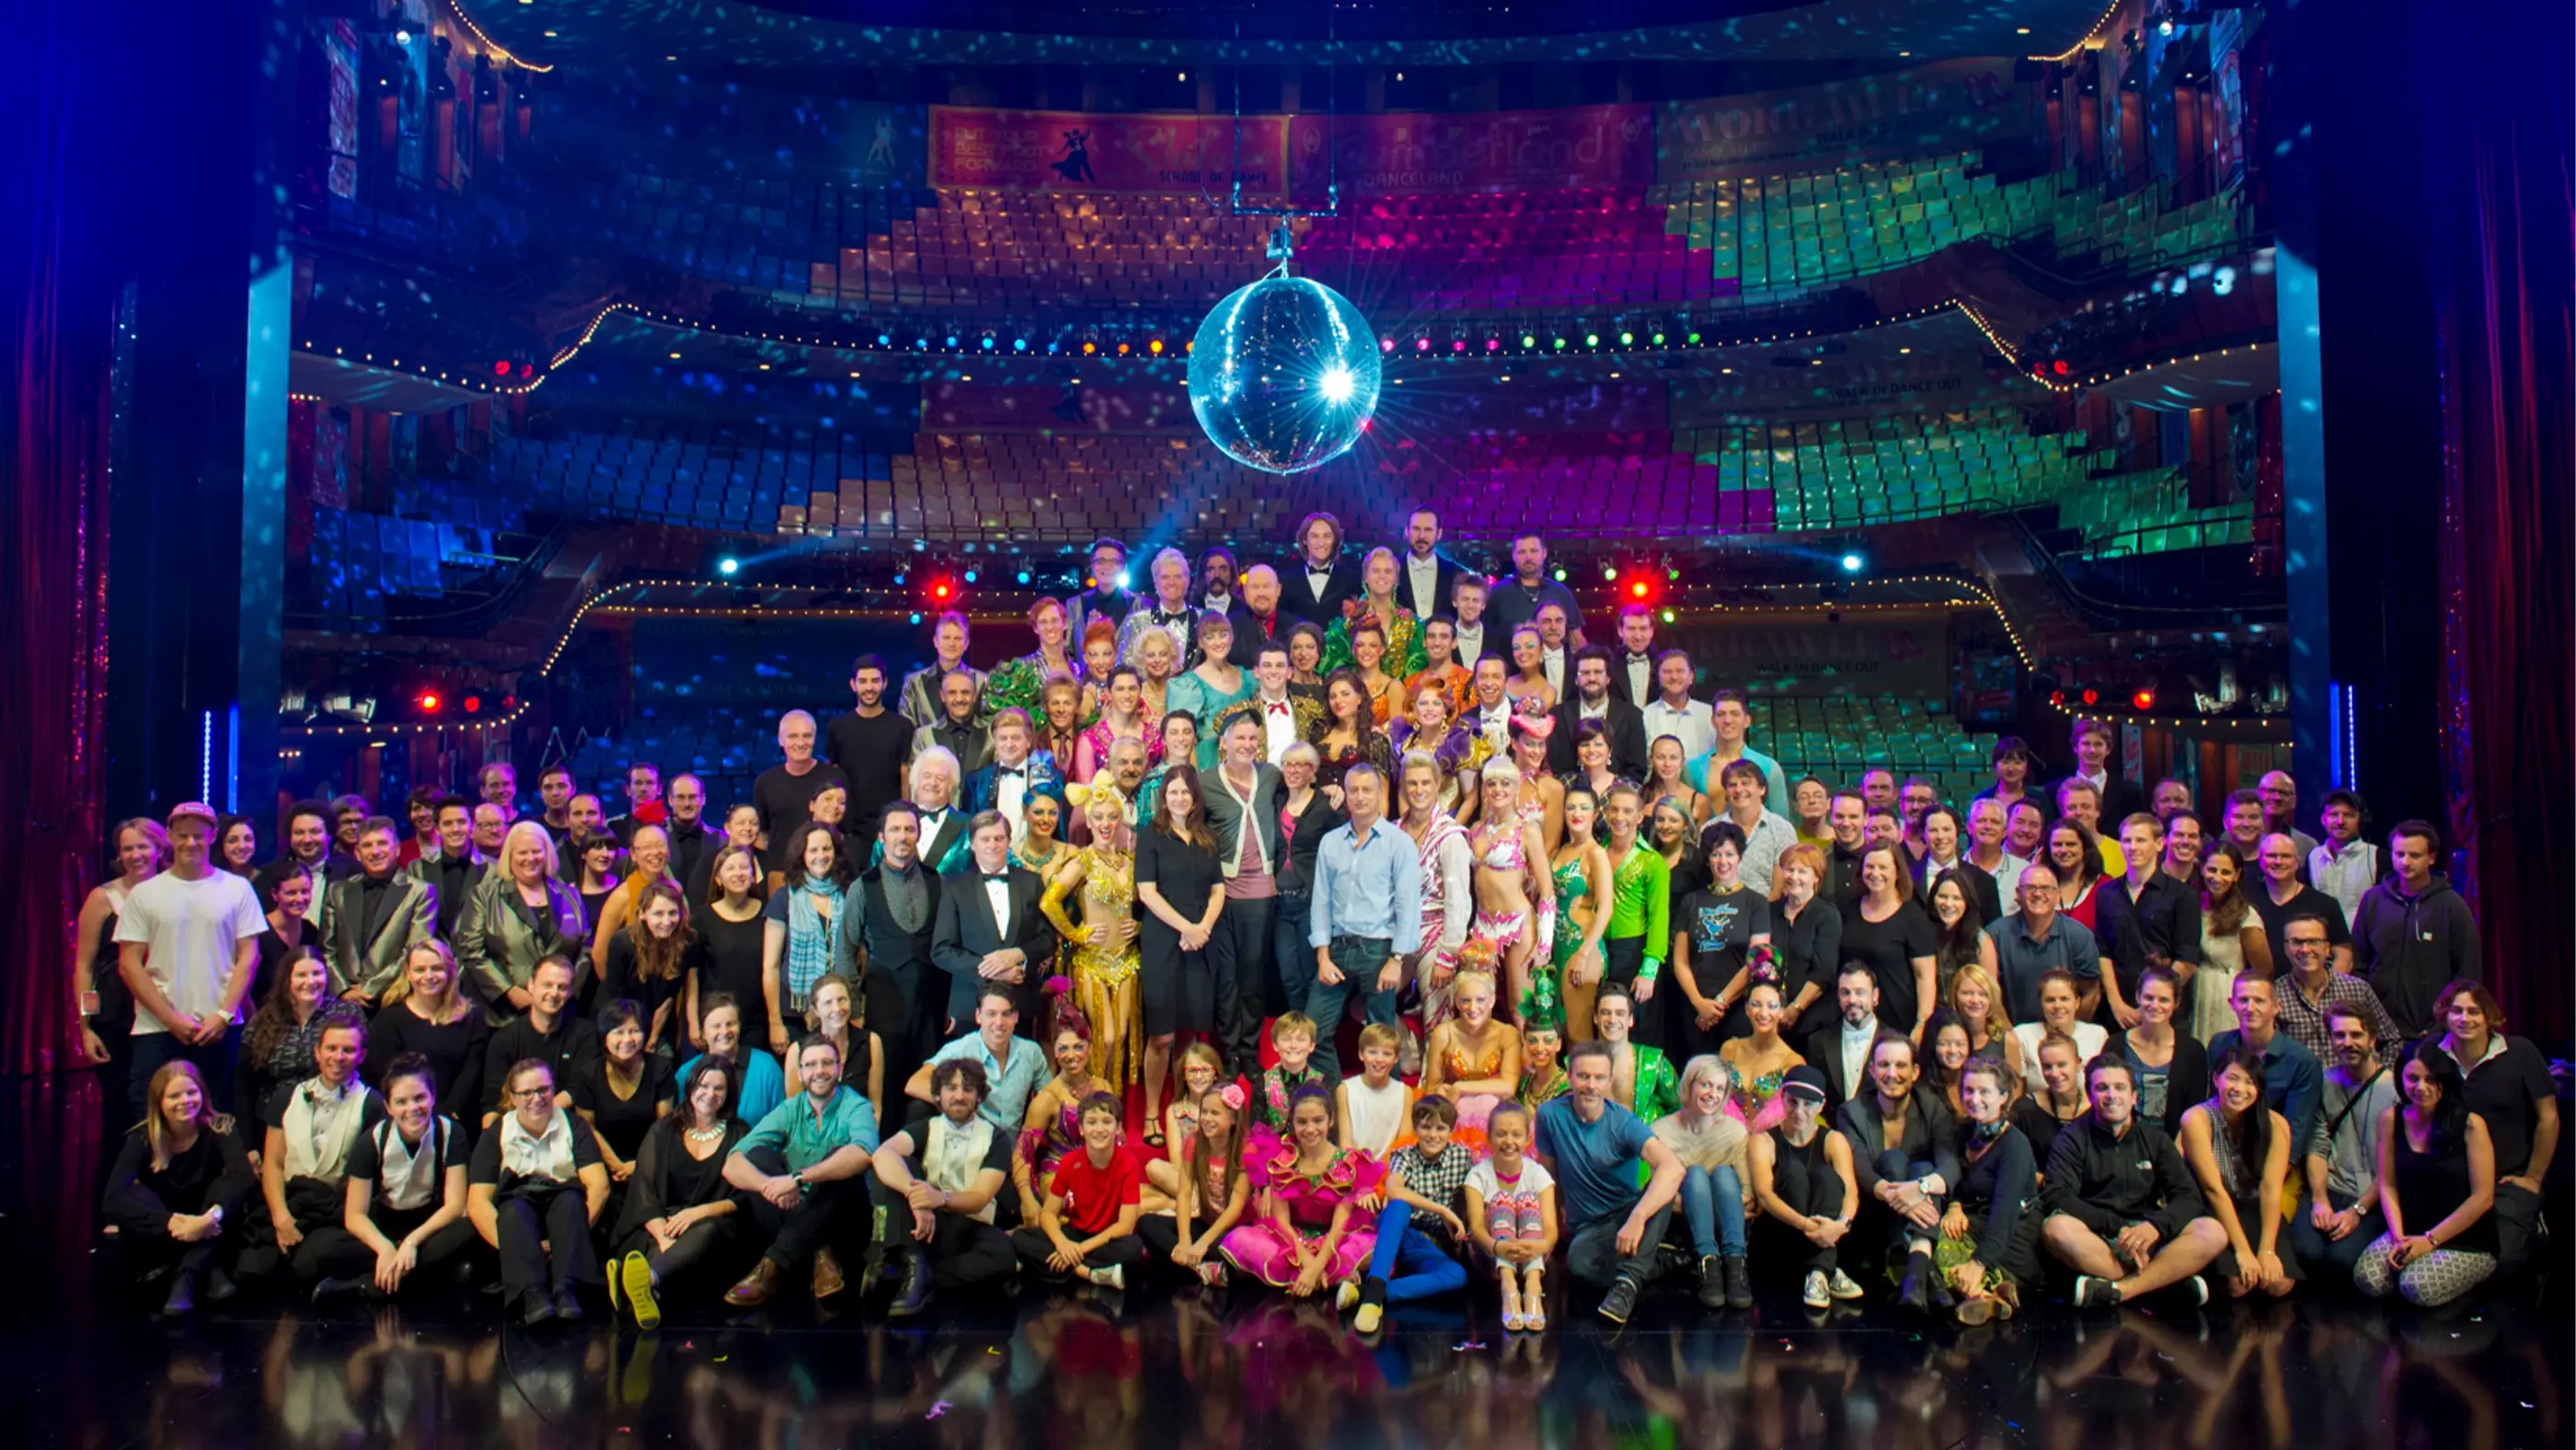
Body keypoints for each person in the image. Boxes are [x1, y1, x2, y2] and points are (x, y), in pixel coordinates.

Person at [114, 802, 267, 1116]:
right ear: (169, 836)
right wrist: (170, 1018)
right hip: (157, 1029)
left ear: (212, 836)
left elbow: (249, 956)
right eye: (182, 835)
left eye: (198, 835)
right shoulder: (145, 893)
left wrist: (224, 1014)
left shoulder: (238, 889)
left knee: (219, 1119)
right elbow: (128, 964)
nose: (190, 842)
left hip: (220, 1027)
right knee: (154, 1121)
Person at [2041, 1056, 2226, 1308]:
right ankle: (2161, 1285)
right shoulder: (2071, 1138)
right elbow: (2058, 1195)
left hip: (2148, 1234)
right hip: (2099, 1235)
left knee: (2213, 1231)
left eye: (2119, 1087)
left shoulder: (2155, 1139)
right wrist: (2116, 1227)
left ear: (2134, 1097)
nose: (2111, 1095)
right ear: (2091, 1096)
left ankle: (2121, 1290)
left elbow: (2188, 1196)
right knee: (2056, 1228)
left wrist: (2155, 1227)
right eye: (2102, 1088)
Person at [301, 1053, 476, 1303]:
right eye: (401, 1102)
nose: (412, 1108)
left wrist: (411, 1243)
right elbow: (355, 1215)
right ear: (388, 1107)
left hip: (428, 1228)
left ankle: (367, 1286)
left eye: (420, 1098)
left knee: (469, 1228)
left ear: (433, 1097)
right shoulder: (372, 1141)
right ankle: (428, 1276)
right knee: (322, 1246)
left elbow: (455, 1206)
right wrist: (385, 1248)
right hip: (384, 1226)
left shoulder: (451, 1133)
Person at [1533, 1040, 1685, 1323]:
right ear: (1569, 1076)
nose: (1591, 1085)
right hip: (1589, 1228)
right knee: (1579, 1266)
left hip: (1627, 1215)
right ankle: (1663, 1260)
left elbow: (1673, 1167)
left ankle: (1626, 1284)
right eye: (1583, 1076)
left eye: (1599, 1078)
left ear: (1610, 1080)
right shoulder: (1549, 1116)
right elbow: (1549, 1179)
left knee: (1662, 1189)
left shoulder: (1623, 1122)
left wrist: (1638, 1217)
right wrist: (1550, 1233)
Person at [722, 1034, 880, 1306]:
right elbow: (732, 1163)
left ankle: (771, 1266)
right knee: (757, 1156)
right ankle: (821, 1254)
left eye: (826, 1063)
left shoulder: (857, 1106)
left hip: (846, 1224)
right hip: (794, 1211)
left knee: (841, 1160)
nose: (819, 1071)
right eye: (811, 1065)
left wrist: (797, 1178)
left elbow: (864, 1154)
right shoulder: (790, 1109)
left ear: (839, 1068)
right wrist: (769, 1186)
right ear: (800, 1073)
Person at [102, 1061, 256, 1316]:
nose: (185, 1101)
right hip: (166, 1225)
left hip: (208, 1218)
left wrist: (211, 1217)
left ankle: (186, 1275)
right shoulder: (142, 1137)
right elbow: (112, 1198)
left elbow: (244, 1177)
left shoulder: (221, 1126)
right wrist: (172, 1222)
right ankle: (206, 1268)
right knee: (135, 1193)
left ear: (202, 1093)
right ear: (159, 1102)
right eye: (174, 1096)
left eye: (191, 1092)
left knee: (223, 1185)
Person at [867, 1057, 1017, 1316]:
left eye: (968, 1089)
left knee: (1003, 1257)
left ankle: (924, 1275)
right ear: (938, 1095)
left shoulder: (996, 1138)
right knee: (900, 1165)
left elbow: (980, 1197)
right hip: (924, 1222)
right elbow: (882, 1154)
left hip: (967, 1223)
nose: (959, 1096)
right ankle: (915, 1266)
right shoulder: (926, 1127)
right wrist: (917, 1197)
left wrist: (940, 1198)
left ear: (979, 1097)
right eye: (951, 1088)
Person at [2353, 1041, 2499, 1306]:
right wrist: (2398, 1237)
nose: (2421, 1087)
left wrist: (2430, 1241)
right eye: (2413, 1079)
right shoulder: (2390, 1119)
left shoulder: (2471, 1124)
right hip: (2410, 1229)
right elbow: (2388, 1184)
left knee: (2415, 1286)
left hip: (2462, 1237)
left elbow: (2483, 1198)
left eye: (2430, 1079)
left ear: (2444, 1080)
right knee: (2369, 1279)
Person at [469, 1056, 609, 1322]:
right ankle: (532, 1295)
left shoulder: (574, 1125)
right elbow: (477, 1203)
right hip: (519, 1213)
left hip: (565, 1207)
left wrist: (568, 1239)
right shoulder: (496, 1133)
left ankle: (567, 1289)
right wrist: (519, 1248)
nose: (537, 1098)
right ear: (512, 1098)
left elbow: (599, 1186)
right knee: (512, 1211)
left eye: (543, 1089)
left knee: (570, 1202)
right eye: (526, 1093)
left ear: (553, 1090)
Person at [1305, 763, 1422, 1077]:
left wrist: (1397, 960)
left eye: (1367, 790)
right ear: (1346, 795)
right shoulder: (1331, 842)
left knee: (1382, 1037)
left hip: (1379, 949)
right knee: (1314, 1031)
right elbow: (1321, 901)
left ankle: (1387, 1101)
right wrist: (1323, 956)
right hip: (1338, 949)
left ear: (1380, 794)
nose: (1360, 797)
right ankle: (1334, 1096)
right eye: (1353, 790)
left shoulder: (1398, 842)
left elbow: (1408, 904)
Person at [248, 1018, 385, 1289]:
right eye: (331, 1048)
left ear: (361, 1056)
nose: (338, 1057)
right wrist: (281, 1218)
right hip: (291, 1203)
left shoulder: (372, 1104)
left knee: (313, 1258)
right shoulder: (287, 1096)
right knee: (253, 1265)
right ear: (317, 1052)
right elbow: (273, 1163)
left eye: (348, 1050)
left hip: (335, 1210)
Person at [2433, 979, 2556, 1272]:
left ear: (2488, 1015)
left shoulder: (2521, 1052)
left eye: (2473, 1011)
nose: (2464, 1019)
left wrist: (2534, 1178)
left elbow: (2549, 1117)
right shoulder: (2432, 1053)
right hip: (2452, 1180)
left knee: (2502, 1259)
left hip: (2507, 1180)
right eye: (2456, 1010)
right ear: (2445, 1014)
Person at [1836, 1032, 1962, 1311]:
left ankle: (1913, 1273)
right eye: (1884, 1065)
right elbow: (1860, 1166)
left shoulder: (1932, 1107)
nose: (1892, 1074)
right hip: (1873, 1219)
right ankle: (1925, 1273)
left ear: (1915, 1072)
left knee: (1924, 1169)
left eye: (1901, 1065)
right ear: (1872, 1070)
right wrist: (1897, 1195)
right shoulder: (1852, 1112)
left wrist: (1920, 1188)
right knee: (1893, 1160)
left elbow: (1950, 1164)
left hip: (1920, 1215)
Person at [933, 810, 1057, 1062]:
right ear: (972, 843)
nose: (993, 845)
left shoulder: (1031, 882)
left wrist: (1018, 955)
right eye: (985, 839)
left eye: (999, 838)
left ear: (1009, 841)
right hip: (971, 1006)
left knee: (1019, 1075)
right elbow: (942, 950)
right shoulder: (954, 886)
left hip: (1020, 1004)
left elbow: (1047, 940)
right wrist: (993, 972)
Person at [2179, 1044, 2300, 1298]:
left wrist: (2266, 1250)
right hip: (2211, 1208)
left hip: (2253, 1207)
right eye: (2232, 1078)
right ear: (2216, 1079)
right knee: (2238, 1285)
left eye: (2249, 1082)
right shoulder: (2196, 1119)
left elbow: (2270, 1188)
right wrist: (2243, 1251)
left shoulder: (2276, 1124)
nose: (2240, 1089)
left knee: (2279, 1285)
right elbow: (2213, 1190)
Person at [1041, 789, 1144, 1091]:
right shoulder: (1082, 861)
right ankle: (1092, 1101)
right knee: (1105, 1038)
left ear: (1121, 821)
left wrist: (1139, 925)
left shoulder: (1130, 862)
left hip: (1127, 961)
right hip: (1092, 963)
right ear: (1088, 821)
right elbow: (1049, 902)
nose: (1105, 823)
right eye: (1098, 817)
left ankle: (1112, 1106)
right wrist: (1076, 934)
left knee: (1121, 1037)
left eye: (1112, 817)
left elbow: (1149, 902)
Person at [1201, 713, 1284, 1080]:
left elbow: (1300, 795)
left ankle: (1250, 1051)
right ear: (1224, 742)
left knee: (1253, 978)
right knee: (1227, 981)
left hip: (1262, 894)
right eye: (1241, 738)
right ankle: (1229, 1051)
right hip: (1222, 895)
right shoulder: (1206, 783)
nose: (1248, 745)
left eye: (1253, 738)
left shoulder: (1271, 776)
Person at [2293, 1002, 2401, 1282]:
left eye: (2356, 1035)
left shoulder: (2395, 1091)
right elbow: (2317, 1145)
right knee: (2306, 1252)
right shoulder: (2324, 1082)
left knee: (2341, 1260)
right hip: (2330, 1188)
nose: (2347, 1042)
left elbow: (2394, 1165)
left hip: (2373, 1197)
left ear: (2372, 1039)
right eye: (2339, 1035)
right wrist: (2319, 1200)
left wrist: (2357, 1210)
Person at [841, 806, 942, 1094]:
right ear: (881, 837)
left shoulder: (937, 881)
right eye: (895, 829)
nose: (903, 836)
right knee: (885, 1087)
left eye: (909, 829)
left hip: (930, 1006)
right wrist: (853, 1009)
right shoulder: (862, 886)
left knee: (929, 1087)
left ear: (918, 834)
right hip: (883, 1004)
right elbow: (845, 949)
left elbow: (950, 943)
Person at [1748, 1065, 1864, 1309]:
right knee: (1793, 1171)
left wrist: (1840, 1225)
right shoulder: (1763, 1141)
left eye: (1808, 1104)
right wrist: (1811, 1227)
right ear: (1782, 1099)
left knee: (1826, 1176)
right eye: (1793, 1102)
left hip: (1829, 1233)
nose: (1799, 1112)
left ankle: (1818, 1273)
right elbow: (1765, 1196)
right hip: (1781, 1236)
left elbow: (1850, 1192)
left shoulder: (1833, 1140)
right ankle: (1826, 1269)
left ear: (1821, 1106)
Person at [2352, 821, 2481, 1038]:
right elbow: (2358, 962)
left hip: (2431, 1032)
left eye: (2414, 855)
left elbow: (2467, 973)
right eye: (2399, 854)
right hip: (2377, 1029)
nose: (2405, 862)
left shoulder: (2451, 906)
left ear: (2431, 858)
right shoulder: (2373, 900)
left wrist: (2443, 1024)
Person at [1937, 1057, 2041, 1323]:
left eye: (1985, 1092)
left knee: (1937, 1241)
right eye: (1969, 1091)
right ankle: (1990, 1295)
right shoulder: (1964, 1132)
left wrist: (1979, 1262)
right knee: (1922, 1230)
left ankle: (1982, 1287)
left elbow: (2004, 1214)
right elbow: (1957, 1181)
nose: (1975, 1099)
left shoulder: (2014, 1146)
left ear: (2003, 1097)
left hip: (2008, 1238)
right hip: (1976, 1224)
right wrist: (1954, 1206)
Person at [75, 819, 170, 1100]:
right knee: (119, 1103)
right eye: (128, 849)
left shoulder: (175, 893)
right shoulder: (101, 898)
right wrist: (86, 1027)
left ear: (160, 849)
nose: (135, 855)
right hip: (114, 1018)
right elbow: (85, 967)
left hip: (164, 1013)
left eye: (143, 846)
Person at [456, 822, 588, 1023]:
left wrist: (567, 991)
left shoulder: (570, 895)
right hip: (505, 1015)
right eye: (522, 853)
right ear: (509, 856)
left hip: (561, 1011)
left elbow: (586, 947)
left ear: (547, 854)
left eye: (536, 851)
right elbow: (471, 951)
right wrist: (509, 991)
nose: (530, 858)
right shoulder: (484, 896)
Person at [1016, 1090, 1147, 1288]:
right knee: (1021, 1238)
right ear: (1082, 1129)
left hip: (1107, 1239)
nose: (1099, 1129)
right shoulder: (1070, 1162)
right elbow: (1048, 1214)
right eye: (1092, 1122)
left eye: (1107, 1122)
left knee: (1133, 1248)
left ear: (1118, 1128)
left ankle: (1065, 1268)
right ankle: (1087, 1272)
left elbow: (1125, 1226)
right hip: (1078, 1232)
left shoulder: (1128, 1164)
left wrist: (1080, 1249)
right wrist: (1063, 1244)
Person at [1654, 1054, 1755, 1308]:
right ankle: (1707, 1264)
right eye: (1706, 1085)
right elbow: (1657, 1193)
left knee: (1722, 1174)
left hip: (1726, 1220)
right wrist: (1696, 1204)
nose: (1713, 1094)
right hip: (1682, 1222)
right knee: (1696, 1174)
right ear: (1689, 1085)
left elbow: (1747, 1193)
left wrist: (1713, 1207)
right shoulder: (1660, 1131)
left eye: (1720, 1088)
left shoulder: (1734, 1131)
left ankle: (1736, 1265)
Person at [2089, 813, 2201, 1032]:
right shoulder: (2105, 893)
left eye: (2140, 840)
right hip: (2117, 1012)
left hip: (2166, 1012)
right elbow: (2103, 952)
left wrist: (2150, 1003)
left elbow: (2187, 960)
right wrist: (2116, 1003)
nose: (2132, 847)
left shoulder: (2183, 895)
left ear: (2159, 844)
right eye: (2127, 840)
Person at [573, 999, 678, 1226]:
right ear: (604, 1036)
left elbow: (664, 1127)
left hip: (651, 1158)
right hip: (602, 1161)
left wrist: (639, 1165)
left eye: (635, 1031)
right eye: (618, 1032)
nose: (627, 1039)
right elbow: (586, 1129)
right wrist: (617, 1165)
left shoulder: (660, 1068)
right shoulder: (589, 1074)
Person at [1142, 1081, 1251, 1290]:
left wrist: (1202, 1243)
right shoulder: (1193, 1143)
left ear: (1233, 1118)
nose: (1207, 1119)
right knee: (1147, 1222)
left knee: (1231, 1249)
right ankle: (1200, 1269)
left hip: (1232, 1230)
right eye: (1205, 1112)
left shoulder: (1245, 1150)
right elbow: (1184, 1193)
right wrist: (1184, 1240)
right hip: (1205, 1221)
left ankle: (1187, 1265)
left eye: (1215, 1113)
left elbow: (1235, 1208)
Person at [366, 940, 491, 1121]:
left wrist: (449, 1114)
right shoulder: (388, 1020)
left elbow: (472, 1072)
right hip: (407, 1118)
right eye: (420, 970)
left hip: (459, 1118)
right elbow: (387, 1076)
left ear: (450, 972)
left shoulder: (472, 1017)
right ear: (408, 974)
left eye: (437, 968)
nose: (429, 976)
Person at [762, 821, 853, 1054]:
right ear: (801, 855)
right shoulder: (784, 898)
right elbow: (771, 966)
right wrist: (774, 1022)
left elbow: (858, 956)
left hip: (838, 1012)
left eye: (826, 849)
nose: (821, 856)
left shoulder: (848, 895)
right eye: (813, 850)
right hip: (794, 1015)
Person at [2206, 973, 2325, 1152]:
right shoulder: (2219, 1045)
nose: (2250, 1008)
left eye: (2259, 1001)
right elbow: (2210, 1107)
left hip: (2274, 1153)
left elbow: (2294, 1136)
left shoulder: (2302, 1061)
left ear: (2277, 1007)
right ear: (2231, 1004)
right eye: (2244, 1000)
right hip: (2221, 1149)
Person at [478, 956, 601, 1127]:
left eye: (562, 987)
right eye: (547, 985)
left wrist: (535, 1115)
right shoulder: (504, 1039)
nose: (554, 993)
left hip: (566, 1125)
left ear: (570, 993)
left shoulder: (585, 1034)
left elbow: (575, 1090)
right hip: (515, 1128)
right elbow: (492, 1102)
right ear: (531, 985)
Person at [910, 986, 1051, 1134]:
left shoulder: (1031, 1051)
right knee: (918, 1108)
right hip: (971, 1140)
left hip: (1013, 1143)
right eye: (991, 1014)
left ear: (1015, 1017)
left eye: (1006, 1014)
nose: (999, 1022)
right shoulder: (960, 1050)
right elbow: (915, 1083)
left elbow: (1049, 1095)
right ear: (978, 1016)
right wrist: (962, 1105)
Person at [240, 952, 353, 1126]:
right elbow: (244, 1084)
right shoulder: (265, 1018)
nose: (310, 981)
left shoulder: (346, 1013)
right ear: (288, 979)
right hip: (273, 1118)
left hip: (333, 1115)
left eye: (317, 973)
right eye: (301, 975)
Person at [1984, 863, 2100, 1029]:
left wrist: (2068, 1033)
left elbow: (2090, 993)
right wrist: (2011, 1036)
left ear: (2058, 894)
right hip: (2011, 1033)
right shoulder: (1995, 934)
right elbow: (1989, 993)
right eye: (2030, 887)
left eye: (2046, 888)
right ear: (2018, 894)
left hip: (2066, 1035)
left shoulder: (2079, 935)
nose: (2038, 894)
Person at [1841, 843, 1938, 1041]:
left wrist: (1922, 1023)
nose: (1875, 873)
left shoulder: (1913, 917)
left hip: (1898, 1022)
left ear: (1897, 872)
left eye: (1883, 867)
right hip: (1854, 1021)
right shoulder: (1849, 909)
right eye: (1870, 867)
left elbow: (1925, 977)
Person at [2275, 915, 2400, 1062]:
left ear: (2327, 948)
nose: (2305, 949)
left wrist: (2380, 1075)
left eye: (2313, 941)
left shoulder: (2357, 989)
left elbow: (2392, 1041)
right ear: (2285, 948)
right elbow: (2269, 1054)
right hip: (2303, 1077)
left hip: (2354, 1076)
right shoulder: (2274, 995)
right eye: (2296, 942)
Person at [2188, 843, 2271, 1042]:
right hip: (2197, 991)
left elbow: (2264, 970)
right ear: (2202, 869)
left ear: (2237, 875)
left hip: (2226, 992)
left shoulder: (2246, 915)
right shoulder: (2192, 905)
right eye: (2212, 870)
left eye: (2225, 872)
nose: (2217, 878)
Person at [688, 845, 768, 1051]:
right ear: (718, 878)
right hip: (717, 1022)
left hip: (758, 1021)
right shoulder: (702, 919)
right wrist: (694, 1022)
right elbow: (692, 974)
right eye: (730, 868)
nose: (738, 873)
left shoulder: (768, 913)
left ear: (753, 875)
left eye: (744, 867)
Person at [752, 711, 848, 878]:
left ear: (815, 738)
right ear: (781, 740)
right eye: (793, 736)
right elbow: (760, 834)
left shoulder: (835, 778)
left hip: (826, 874)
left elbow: (846, 830)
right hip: (781, 875)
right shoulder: (765, 782)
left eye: (807, 736)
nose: (801, 743)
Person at [2120, 965, 2212, 1134]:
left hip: (2174, 1144)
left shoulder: (2193, 1052)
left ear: (2176, 1003)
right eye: (2149, 998)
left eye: (2163, 1000)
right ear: (2138, 997)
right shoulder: (2116, 1045)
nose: (2155, 1005)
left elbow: (2195, 1113)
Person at [2250, 833, 2353, 977]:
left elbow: (2343, 955)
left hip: (2309, 987)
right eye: (2271, 856)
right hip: (2256, 987)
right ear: (2260, 860)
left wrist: (2330, 988)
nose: (2278, 861)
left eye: (2286, 856)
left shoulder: (2325, 903)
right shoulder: (2246, 900)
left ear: (2297, 862)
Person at [678, 993, 786, 1125]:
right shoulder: (685, 1073)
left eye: (730, 1024)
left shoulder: (766, 1068)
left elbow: (782, 1123)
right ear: (703, 1033)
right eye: (716, 1026)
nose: (724, 1031)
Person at [1544, 648, 1648, 785]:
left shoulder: (1632, 715)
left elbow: (1636, 770)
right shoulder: (1556, 715)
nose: (1592, 678)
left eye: (1598, 672)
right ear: (1576, 679)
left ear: (1608, 678)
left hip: (1617, 793)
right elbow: (1552, 765)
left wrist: (1611, 790)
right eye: (1585, 673)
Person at [1685, 690, 1791, 817]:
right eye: (1721, 714)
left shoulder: (1769, 768)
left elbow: (1781, 822)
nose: (1727, 720)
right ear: (1713, 721)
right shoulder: (1692, 768)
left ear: (1747, 721)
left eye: (1735, 714)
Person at [2010, 969, 2109, 1099]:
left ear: (2077, 1002)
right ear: (2041, 1003)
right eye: (2050, 1000)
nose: (2057, 1006)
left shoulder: (2097, 1034)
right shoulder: (2022, 1035)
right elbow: (2015, 1093)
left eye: (2064, 999)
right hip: (2036, 1109)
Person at [1594, 984, 1678, 1121]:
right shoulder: (1577, 1064)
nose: (1612, 1020)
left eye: (1620, 1013)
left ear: (1630, 1020)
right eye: (1605, 1013)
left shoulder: (1654, 1062)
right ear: (1595, 1018)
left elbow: (1681, 1110)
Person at [1484, 532, 1584, 640]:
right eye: (1522, 552)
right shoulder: (1497, 593)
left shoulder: (1561, 592)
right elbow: (1484, 634)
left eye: (1533, 551)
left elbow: (1576, 638)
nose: (1528, 557)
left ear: (1544, 553)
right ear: (1513, 556)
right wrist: (1512, 630)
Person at [1923, 868, 1997, 1012]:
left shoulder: (1981, 940)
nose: (1948, 904)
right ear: (1933, 899)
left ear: (1967, 902)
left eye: (1957, 898)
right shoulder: (1921, 933)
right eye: (1943, 896)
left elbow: (1991, 994)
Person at [2011, 1033, 2090, 1166]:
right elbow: (2015, 1162)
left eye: (2062, 1065)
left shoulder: (2096, 1109)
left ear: (2078, 1063)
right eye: (2047, 1066)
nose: (2054, 1073)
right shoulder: (2024, 1110)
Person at [1337, 1021, 1413, 1157]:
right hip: (1355, 1163)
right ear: (1361, 1054)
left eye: (1387, 1054)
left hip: (1392, 1164)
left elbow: (1403, 1143)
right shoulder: (1345, 1090)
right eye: (1372, 1052)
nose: (1379, 1059)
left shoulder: (1405, 1092)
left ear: (1396, 1058)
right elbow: (1345, 1144)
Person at [2308, 789, 2379, 925]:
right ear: (2323, 820)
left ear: (2361, 820)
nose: (2340, 821)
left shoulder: (2376, 857)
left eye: (2348, 815)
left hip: (2361, 937)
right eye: (2334, 814)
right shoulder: (2313, 857)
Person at [1069, 537, 1142, 642]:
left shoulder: (1141, 605)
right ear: (1092, 566)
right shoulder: (1074, 606)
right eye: (1100, 561)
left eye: (1114, 561)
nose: (1107, 566)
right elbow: (1068, 649)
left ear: (1124, 567)